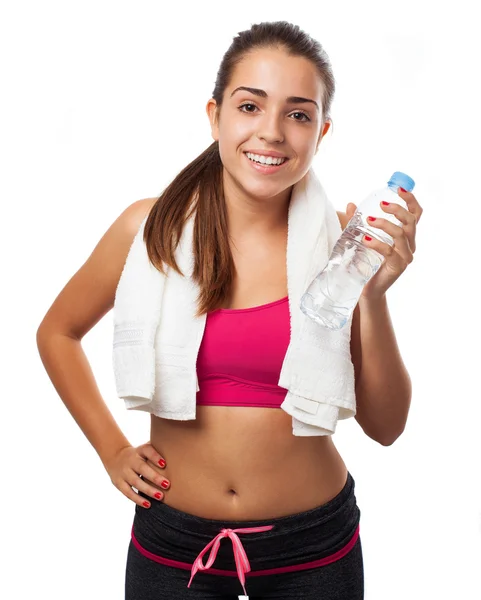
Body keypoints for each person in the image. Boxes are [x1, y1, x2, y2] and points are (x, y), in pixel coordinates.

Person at [36, 20, 422, 600]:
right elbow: (57, 332)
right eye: (250, 106)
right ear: (215, 115)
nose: (271, 133)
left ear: (322, 131)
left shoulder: (344, 247)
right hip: (174, 543)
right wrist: (112, 449)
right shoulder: (149, 231)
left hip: (313, 546)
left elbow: (387, 427)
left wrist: (372, 290)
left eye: (298, 114)